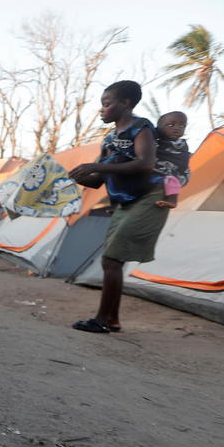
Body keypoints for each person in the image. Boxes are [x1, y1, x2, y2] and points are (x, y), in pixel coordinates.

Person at [67, 80, 162, 335]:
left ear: (125, 103)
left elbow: (146, 164)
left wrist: (96, 165)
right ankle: (113, 320)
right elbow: (97, 181)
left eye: (106, 104)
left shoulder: (141, 127)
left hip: (148, 198)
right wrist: (71, 176)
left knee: (111, 259)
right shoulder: (109, 139)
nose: (102, 109)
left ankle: (101, 320)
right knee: (112, 260)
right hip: (124, 202)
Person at [153, 111, 192, 209]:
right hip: (156, 166)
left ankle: (172, 199)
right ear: (159, 128)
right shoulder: (153, 140)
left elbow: (182, 160)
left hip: (174, 172)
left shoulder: (182, 145)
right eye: (171, 125)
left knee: (171, 179)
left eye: (182, 126)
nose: (177, 128)